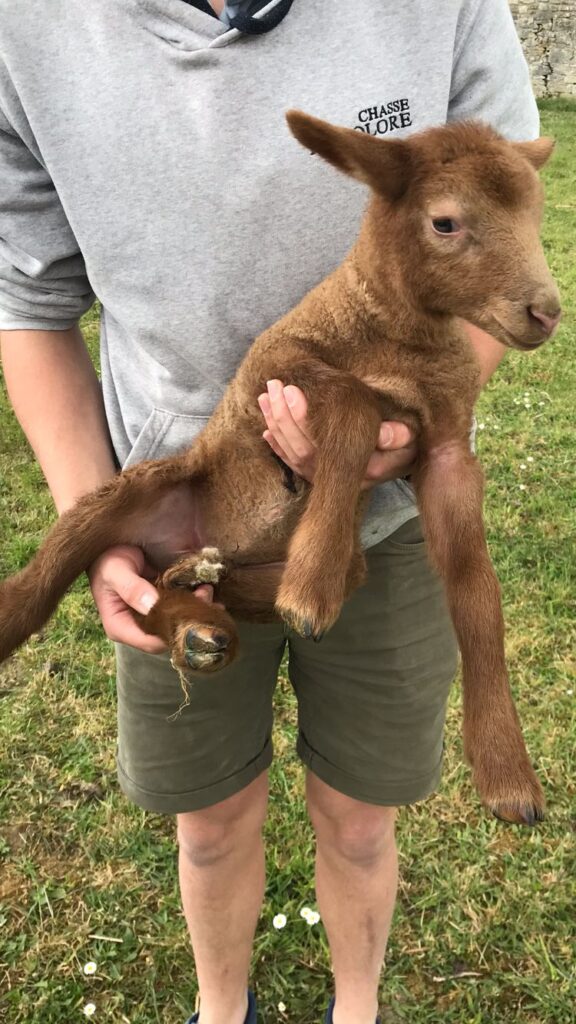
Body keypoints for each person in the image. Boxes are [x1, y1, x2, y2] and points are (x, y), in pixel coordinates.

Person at [0, 1, 540, 1022]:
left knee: (361, 820)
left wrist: (420, 424)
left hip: (388, 530)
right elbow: (26, 298)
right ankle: (221, 1007)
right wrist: (97, 523)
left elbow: (498, 226)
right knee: (207, 822)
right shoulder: (30, 24)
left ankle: (356, 1006)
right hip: (188, 494)